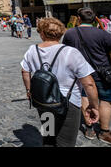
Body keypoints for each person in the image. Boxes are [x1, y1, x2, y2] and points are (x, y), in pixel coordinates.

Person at [21, 17, 100, 147]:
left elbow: (25, 71)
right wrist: (93, 106)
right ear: (61, 33)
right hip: (68, 103)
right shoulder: (71, 52)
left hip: (44, 100)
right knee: (66, 142)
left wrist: (29, 91)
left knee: (48, 136)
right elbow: (89, 83)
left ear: (41, 33)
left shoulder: (32, 50)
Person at [62, 8, 111, 147]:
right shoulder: (102, 33)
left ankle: (89, 129)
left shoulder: (70, 33)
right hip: (103, 74)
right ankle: (104, 132)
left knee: (85, 99)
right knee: (106, 102)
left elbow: (65, 52)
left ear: (79, 18)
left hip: (80, 74)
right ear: (95, 19)